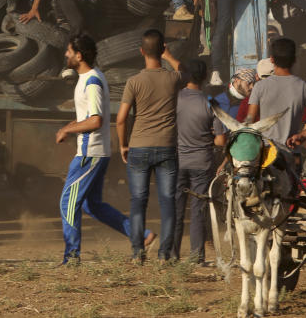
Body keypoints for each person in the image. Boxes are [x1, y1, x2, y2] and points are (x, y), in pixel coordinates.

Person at [55, 33, 154, 265]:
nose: (66, 54)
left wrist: (69, 130)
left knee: (67, 202)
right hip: (94, 150)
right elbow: (88, 117)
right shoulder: (88, 78)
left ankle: (71, 256)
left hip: (91, 152)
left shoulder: (92, 82)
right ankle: (142, 235)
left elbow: (96, 120)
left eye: (69, 51)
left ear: (79, 56)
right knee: (92, 204)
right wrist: (71, 126)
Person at [116, 30, 182, 262]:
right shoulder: (173, 79)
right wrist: (170, 56)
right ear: (162, 50)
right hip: (166, 148)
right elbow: (184, 70)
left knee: (138, 201)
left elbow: (121, 118)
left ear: (141, 51)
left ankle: (137, 253)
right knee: (168, 201)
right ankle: (164, 255)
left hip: (139, 147)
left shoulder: (134, 82)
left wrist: (123, 145)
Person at [173, 59, 224, 263]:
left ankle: (171, 253)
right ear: (205, 78)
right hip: (202, 162)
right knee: (197, 210)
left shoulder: (174, 99)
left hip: (178, 161)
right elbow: (220, 140)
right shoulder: (211, 103)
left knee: (176, 208)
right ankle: (196, 256)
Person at [246, 38, 306, 150]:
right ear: (294, 60)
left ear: (272, 60)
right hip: (290, 154)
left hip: (265, 154)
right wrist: (302, 136)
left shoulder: (259, 87)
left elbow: (249, 121)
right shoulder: (304, 87)